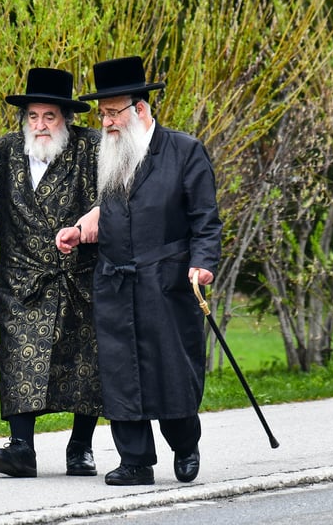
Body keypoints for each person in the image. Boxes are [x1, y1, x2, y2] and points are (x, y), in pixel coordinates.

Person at [56, 55, 222, 486]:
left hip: (166, 281)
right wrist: (80, 229)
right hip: (115, 279)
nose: (107, 122)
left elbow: (206, 219)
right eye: (103, 113)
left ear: (141, 109)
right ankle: (135, 461)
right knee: (120, 372)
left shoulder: (184, 151)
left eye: (114, 112)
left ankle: (185, 445)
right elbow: (107, 210)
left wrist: (202, 263)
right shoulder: (108, 153)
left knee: (171, 369)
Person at [0, 67, 103, 478]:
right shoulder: (8, 149)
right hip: (22, 277)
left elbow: (116, 197)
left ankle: (81, 447)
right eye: (33, 116)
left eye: (49, 116)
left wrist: (94, 223)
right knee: (19, 358)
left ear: (66, 118)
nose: (40, 125)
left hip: (78, 274)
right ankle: (21, 448)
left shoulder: (91, 148)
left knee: (85, 360)